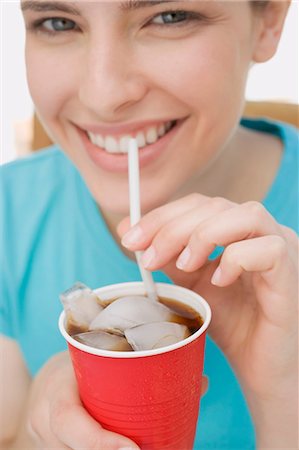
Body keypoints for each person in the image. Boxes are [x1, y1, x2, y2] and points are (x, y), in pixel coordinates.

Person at [0, 0, 298, 449]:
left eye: (169, 17)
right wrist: (33, 431)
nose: (104, 95)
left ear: (269, 20)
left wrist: (285, 396)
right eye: (58, 22)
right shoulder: (9, 212)